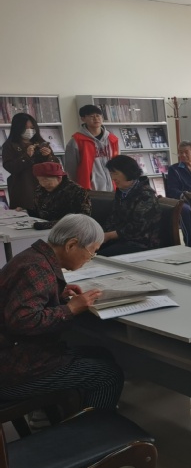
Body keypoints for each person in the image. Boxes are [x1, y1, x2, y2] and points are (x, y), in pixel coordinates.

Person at [0, 214, 124, 410]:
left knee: (101, 353)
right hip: (15, 372)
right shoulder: (36, 268)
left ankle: (73, 413)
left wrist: (55, 294)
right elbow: (22, 320)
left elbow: (21, 302)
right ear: (71, 245)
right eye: (92, 252)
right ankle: (92, 427)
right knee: (107, 375)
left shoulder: (33, 257)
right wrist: (71, 308)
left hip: (17, 357)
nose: (90, 259)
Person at [99, 155, 162, 257]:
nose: (113, 178)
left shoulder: (145, 195)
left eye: (115, 173)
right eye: (111, 174)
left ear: (128, 172)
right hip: (121, 239)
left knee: (101, 256)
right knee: (87, 250)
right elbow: (113, 218)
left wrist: (109, 235)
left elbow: (137, 228)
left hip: (141, 244)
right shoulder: (121, 192)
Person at [1, 112, 58, 212]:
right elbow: (10, 167)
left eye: (32, 128)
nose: (29, 131)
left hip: (45, 187)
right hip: (23, 189)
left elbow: (56, 166)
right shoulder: (9, 145)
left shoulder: (41, 143)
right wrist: (26, 156)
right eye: (25, 128)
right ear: (17, 128)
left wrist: (48, 156)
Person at [63, 104, 119, 192]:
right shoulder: (76, 141)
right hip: (89, 189)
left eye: (98, 116)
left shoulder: (112, 139)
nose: (96, 119)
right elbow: (71, 169)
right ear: (83, 119)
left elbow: (118, 163)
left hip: (113, 187)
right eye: (91, 116)